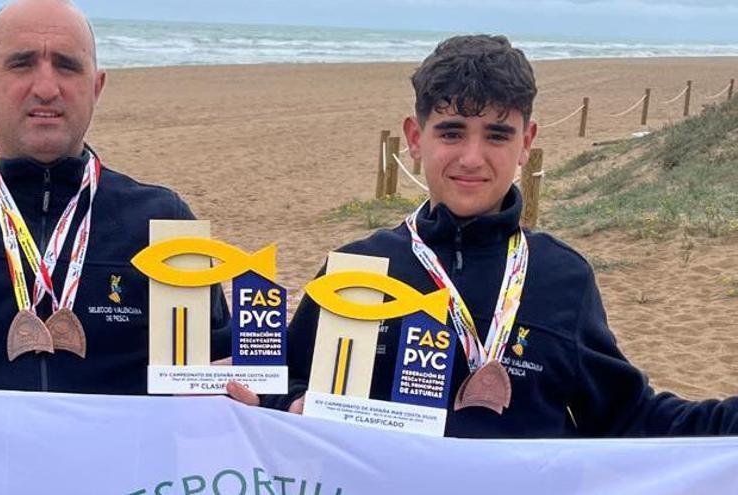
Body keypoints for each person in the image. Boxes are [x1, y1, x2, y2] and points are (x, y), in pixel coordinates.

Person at [248, 34, 738, 436]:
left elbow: (627, 417)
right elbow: (281, 387)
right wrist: (285, 403)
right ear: (416, 139)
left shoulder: (561, 275)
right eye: (451, 132)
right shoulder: (357, 268)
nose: (471, 158)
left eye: (497, 135)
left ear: (526, 143)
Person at [0, 0, 229, 394]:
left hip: (119, 458)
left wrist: (275, 395)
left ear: (96, 86)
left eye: (67, 66)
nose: (47, 88)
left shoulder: (163, 222)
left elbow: (221, 368)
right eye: (21, 63)